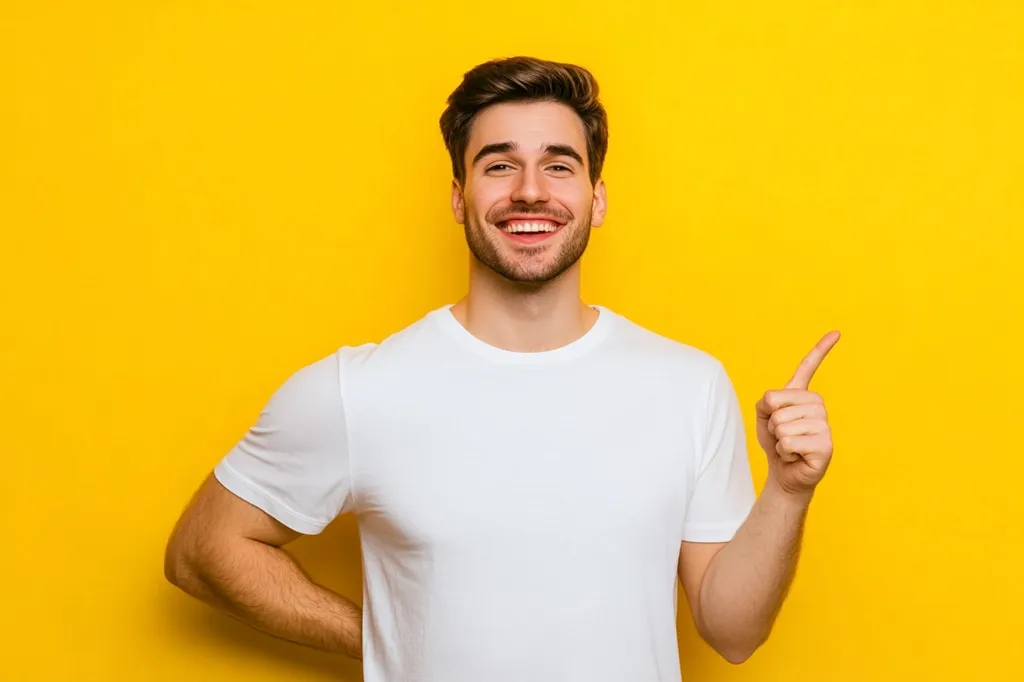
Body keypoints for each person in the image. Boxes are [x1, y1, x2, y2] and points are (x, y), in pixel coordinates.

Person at [164, 55, 840, 681]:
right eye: (498, 165)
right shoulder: (359, 390)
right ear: (459, 197)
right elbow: (202, 550)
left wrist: (787, 493)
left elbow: (732, 632)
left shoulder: (689, 386)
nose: (529, 191)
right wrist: (385, 642)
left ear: (597, 198)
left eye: (559, 165)